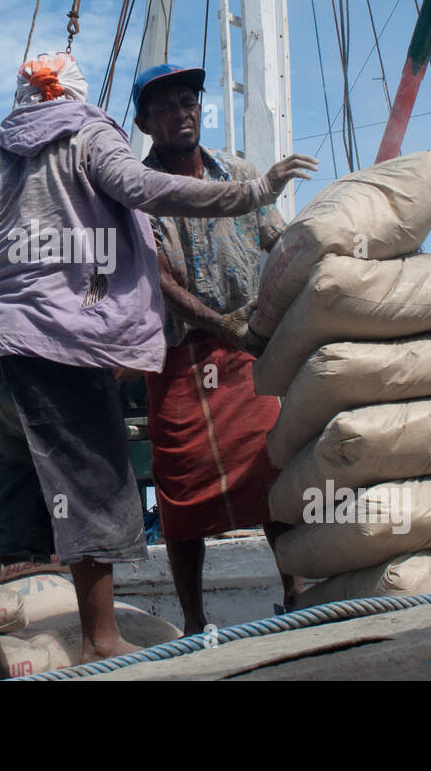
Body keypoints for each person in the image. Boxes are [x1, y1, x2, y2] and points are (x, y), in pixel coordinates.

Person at [0, 52, 313, 679]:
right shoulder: (89, 137)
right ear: (79, 100)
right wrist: (252, 193)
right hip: (62, 346)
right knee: (94, 482)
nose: (179, 112)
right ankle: (101, 641)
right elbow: (144, 190)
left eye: (187, 101)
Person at [134, 63, 318, 634]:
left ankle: (297, 592)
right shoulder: (135, 193)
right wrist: (219, 323)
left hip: (246, 354)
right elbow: (158, 280)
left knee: (271, 470)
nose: (181, 112)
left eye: (189, 100)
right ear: (144, 122)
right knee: (182, 491)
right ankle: (193, 622)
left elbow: (277, 241)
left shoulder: (237, 173)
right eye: (166, 106)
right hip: (178, 358)